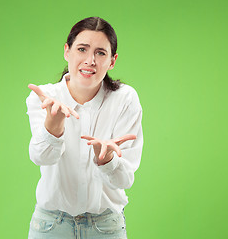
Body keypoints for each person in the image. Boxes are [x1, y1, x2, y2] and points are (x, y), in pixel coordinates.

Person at [26, 16, 143, 239]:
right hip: (50, 225)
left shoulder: (125, 99)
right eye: (82, 49)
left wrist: (107, 160)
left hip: (106, 226)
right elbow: (41, 157)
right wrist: (54, 124)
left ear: (112, 61)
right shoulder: (44, 97)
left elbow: (125, 180)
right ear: (67, 51)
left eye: (100, 53)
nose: (90, 60)